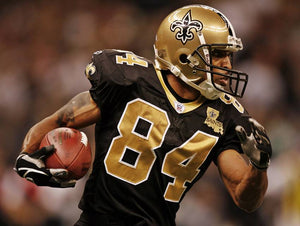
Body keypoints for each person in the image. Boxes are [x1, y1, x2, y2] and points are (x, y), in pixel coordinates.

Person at [14, 4, 272, 226]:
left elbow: (245, 198)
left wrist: (259, 167)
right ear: (184, 54)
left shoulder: (225, 115)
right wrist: (27, 154)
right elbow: (61, 120)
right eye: (217, 54)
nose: (227, 64)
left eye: (228, 55)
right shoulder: (129, 79)